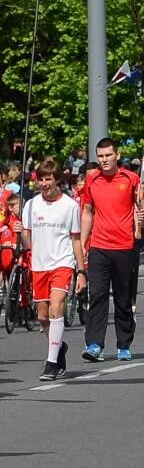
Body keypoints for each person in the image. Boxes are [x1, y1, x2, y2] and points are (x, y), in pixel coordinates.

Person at [76, 137, 139, 362]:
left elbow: (139, 208)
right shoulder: (92, 180)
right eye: (100, 156)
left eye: (108, 155)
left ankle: (124, 344)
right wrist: (83, 244)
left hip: (124, 247)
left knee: (123, 299)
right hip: (99, 247)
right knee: (98, 296)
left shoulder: (131, 179)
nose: (104, 160)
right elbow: (87, 212)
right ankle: (94, 344)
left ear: (117, 155)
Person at [22, 159, 83, 381]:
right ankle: (59, 347)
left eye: (48, 179)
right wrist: (21, 231)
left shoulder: (70, 206)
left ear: (57, 180)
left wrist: (81, 271)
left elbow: (76, 240)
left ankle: (50, 363)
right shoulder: (31, 205)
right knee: (43, 317)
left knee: (57, 307)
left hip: (62, 263)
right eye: (41, 179)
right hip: (39, 265)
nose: (44, 183)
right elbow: (27, 243)